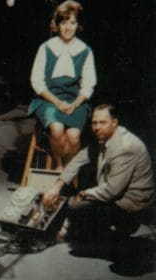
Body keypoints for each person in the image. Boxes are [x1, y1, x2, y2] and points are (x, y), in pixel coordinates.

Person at [42, 104, 153, 245]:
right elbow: (78, 160)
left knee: (76, 210)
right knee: (75, 203)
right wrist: (57, 186)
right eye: (94, 123)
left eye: (103, 122)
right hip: (115, 193)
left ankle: (123, 229)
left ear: (114, 122)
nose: (97, 127)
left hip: (131, 204)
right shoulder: (105, 136)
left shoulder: (124, 147)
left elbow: (112, 191)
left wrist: (83, 194)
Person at [28, 0, 96, 167]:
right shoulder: (46, 47)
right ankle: (59, 168)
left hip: (75, 102)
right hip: (48, 100)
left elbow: (88, 85)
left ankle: (67, 171)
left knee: (73, 135)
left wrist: (75, 104)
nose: (68, 27)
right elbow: (36, 81)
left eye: (72, 22)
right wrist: (57, 102)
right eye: (64, 22)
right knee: (57, 128)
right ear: (57, 25)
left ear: (78, 25)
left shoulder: (85, 50)